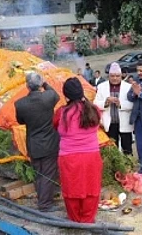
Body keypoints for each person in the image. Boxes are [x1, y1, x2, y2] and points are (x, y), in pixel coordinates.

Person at [55, 78, 102, 223]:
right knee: (91, 188)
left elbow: (54, 125)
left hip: (69, 158)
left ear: (66, 96)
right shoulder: (94, 110)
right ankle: (88, 220)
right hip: (92, 156)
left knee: (71, 189)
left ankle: (76, 220)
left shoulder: (61, 113)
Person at [15, 72, 61, 212]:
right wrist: (45, 83)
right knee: (48, 174)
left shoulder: (20, 103)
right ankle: (45, 204)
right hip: (49, 143)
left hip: (33, 143)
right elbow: (56, 94)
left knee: (38, 173)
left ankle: (43, 200)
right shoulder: (48, 97)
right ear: (40, 84)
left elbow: (20, 121)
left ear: (27, 86)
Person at [94, 62, 134, 155]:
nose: (115, 78)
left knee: (127, 148)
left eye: (117, 76)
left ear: (121, 76)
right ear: (108, 76)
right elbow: (95, 103)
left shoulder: (128, 87)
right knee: (112, 149)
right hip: (109, 123)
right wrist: (106, 102)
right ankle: (115, 169)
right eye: (112, 76)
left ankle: (129, 167)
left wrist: (120, 104)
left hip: (124, 122)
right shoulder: (101, 86)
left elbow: (133, 104)